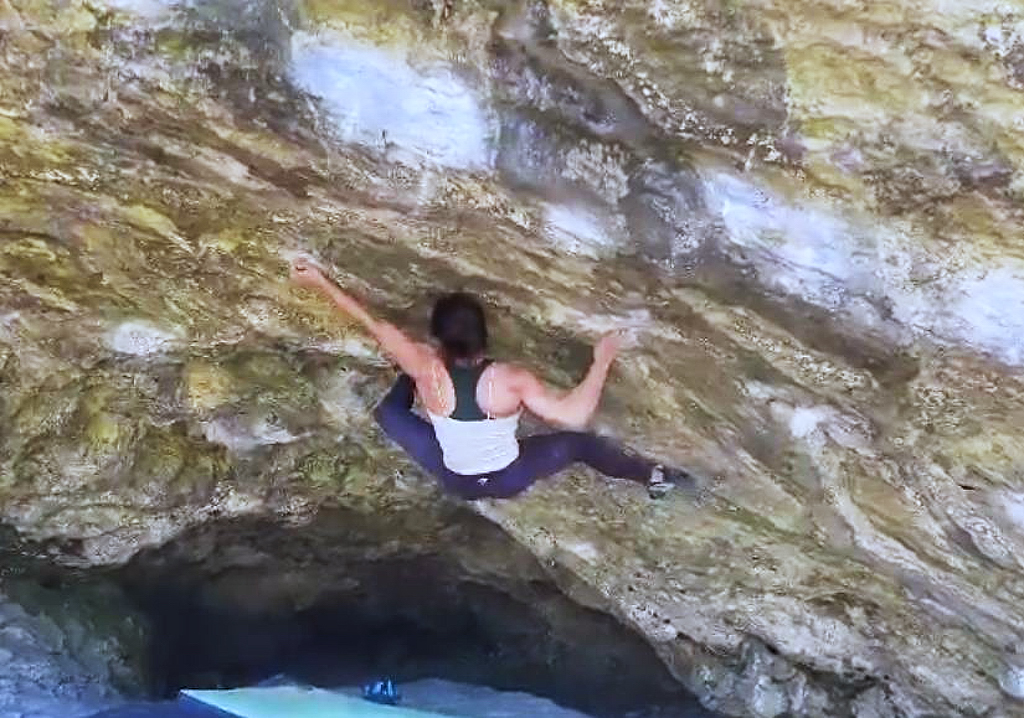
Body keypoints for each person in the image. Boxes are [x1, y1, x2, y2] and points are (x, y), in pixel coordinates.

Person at [290, 258, 697, 500]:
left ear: (437, 339)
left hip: (456, 480)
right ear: (485, 336)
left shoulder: (426, 367)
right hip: (508, 477)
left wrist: (318, 280)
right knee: (580, 445)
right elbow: (573, 415)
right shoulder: (508, 379)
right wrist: (602, 360)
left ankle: (404, 377)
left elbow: (375, 325)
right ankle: (653, 478)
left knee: (390, 412)